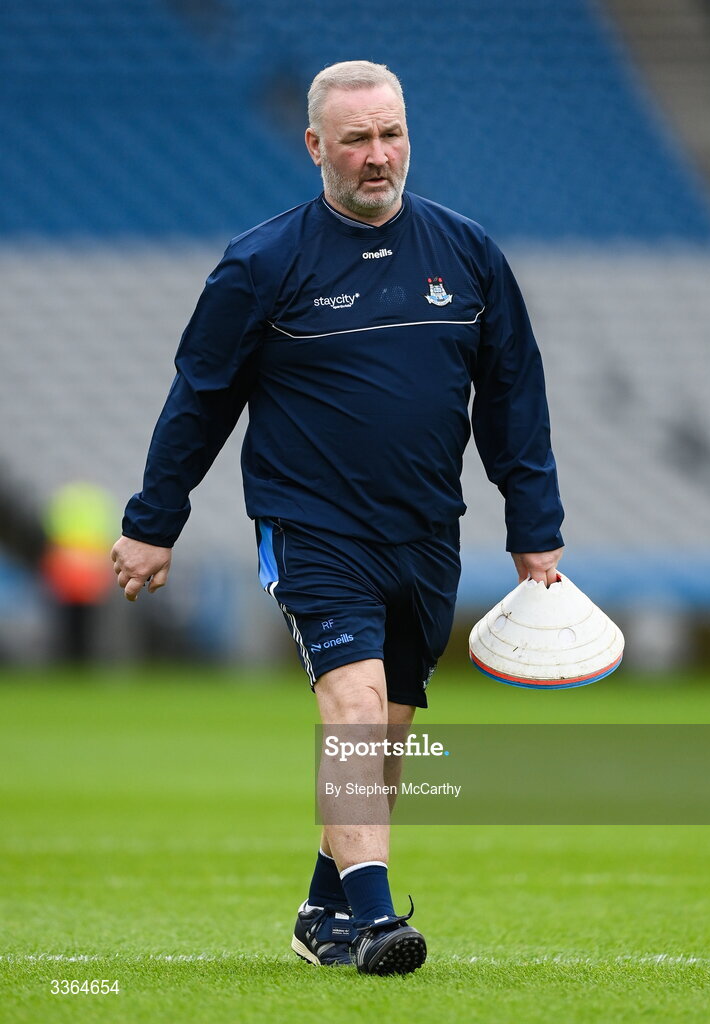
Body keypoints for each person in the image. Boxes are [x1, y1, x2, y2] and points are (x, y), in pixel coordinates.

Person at [111, 60, 564, 975]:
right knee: (351, 709)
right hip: (313, 527)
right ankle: (374, 922)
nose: (376, 155)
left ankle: (322, 912)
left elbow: (514, 392)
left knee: (386, 733)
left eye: (389, 133)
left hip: (428, 531)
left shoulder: (467, 252)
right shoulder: (262, 263)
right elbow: (199, 398)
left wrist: (535, 528)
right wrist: (153, 520)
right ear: (315, 145)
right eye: (354, 139)